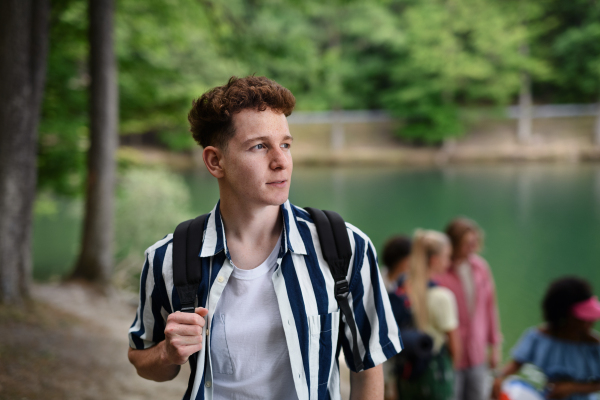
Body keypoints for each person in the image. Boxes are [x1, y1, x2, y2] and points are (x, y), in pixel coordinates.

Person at [126, 76, 402, 400]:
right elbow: (141, 357)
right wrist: (167, 354)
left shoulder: (345, 247)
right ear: (216, 161)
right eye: (259, 146)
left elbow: (367, 365)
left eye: (285, 144)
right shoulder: (168, 258)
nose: (281, 161)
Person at [492, 277, 600, 400]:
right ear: (565, 315)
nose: (591, 322)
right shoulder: (539, 337)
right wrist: (499, 378)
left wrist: (572, 388)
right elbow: (516, 363)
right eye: (584, 318)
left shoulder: (594, 345)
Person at [387, 230, 460, 400]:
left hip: (406, 375)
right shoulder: (441, 296)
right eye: (447, 256)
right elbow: (454, 346)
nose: (448, 262)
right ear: (435, 259)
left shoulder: (401, 288)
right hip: (433, 375)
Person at [435, 217, 502, 400]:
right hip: (451, 354)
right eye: (466, 243)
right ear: (453, 244)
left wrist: (495, 346)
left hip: (477, 351)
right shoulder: (440, 272)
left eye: (474, 242)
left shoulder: (481, 268)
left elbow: (490, 308)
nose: (472, 247)